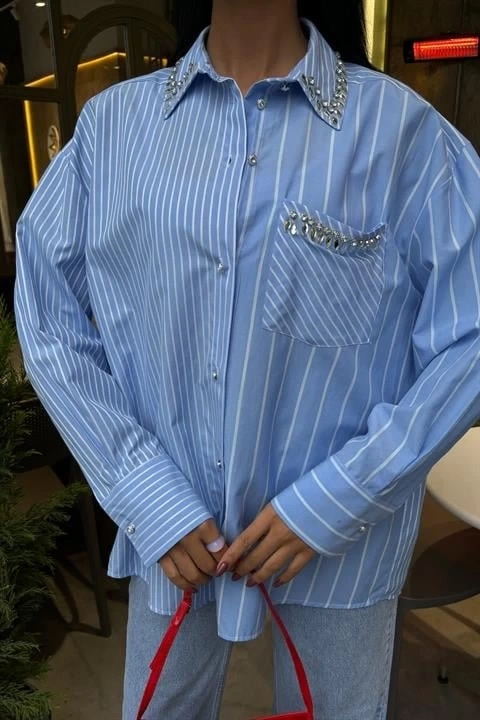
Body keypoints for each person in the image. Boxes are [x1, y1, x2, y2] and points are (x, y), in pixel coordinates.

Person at [14, 0, 480, 718]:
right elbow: (46, 309)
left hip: (343, 543)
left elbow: (469, 335)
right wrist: (143, 490)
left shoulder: (404, 133)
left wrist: (339, 497)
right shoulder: (114, 130)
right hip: (175, 530)